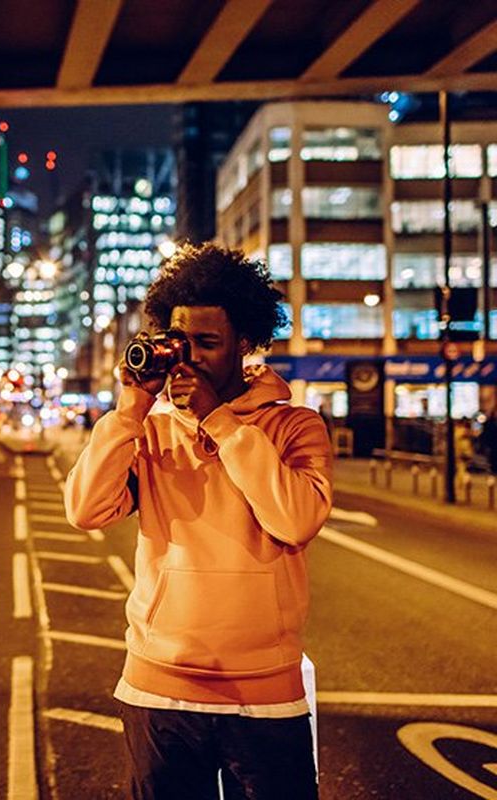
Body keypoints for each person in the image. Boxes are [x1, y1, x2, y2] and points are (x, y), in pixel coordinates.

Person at [64, 243, 333, 800]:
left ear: (245, 345)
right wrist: (130, 412)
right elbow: (86, 510)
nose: (190, 360)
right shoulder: (153, 431)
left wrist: (220, 421)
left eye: (207, 345)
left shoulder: (295, 427)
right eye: (180, 344)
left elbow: (296, 519)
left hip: (263, 692)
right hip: (158, 686)